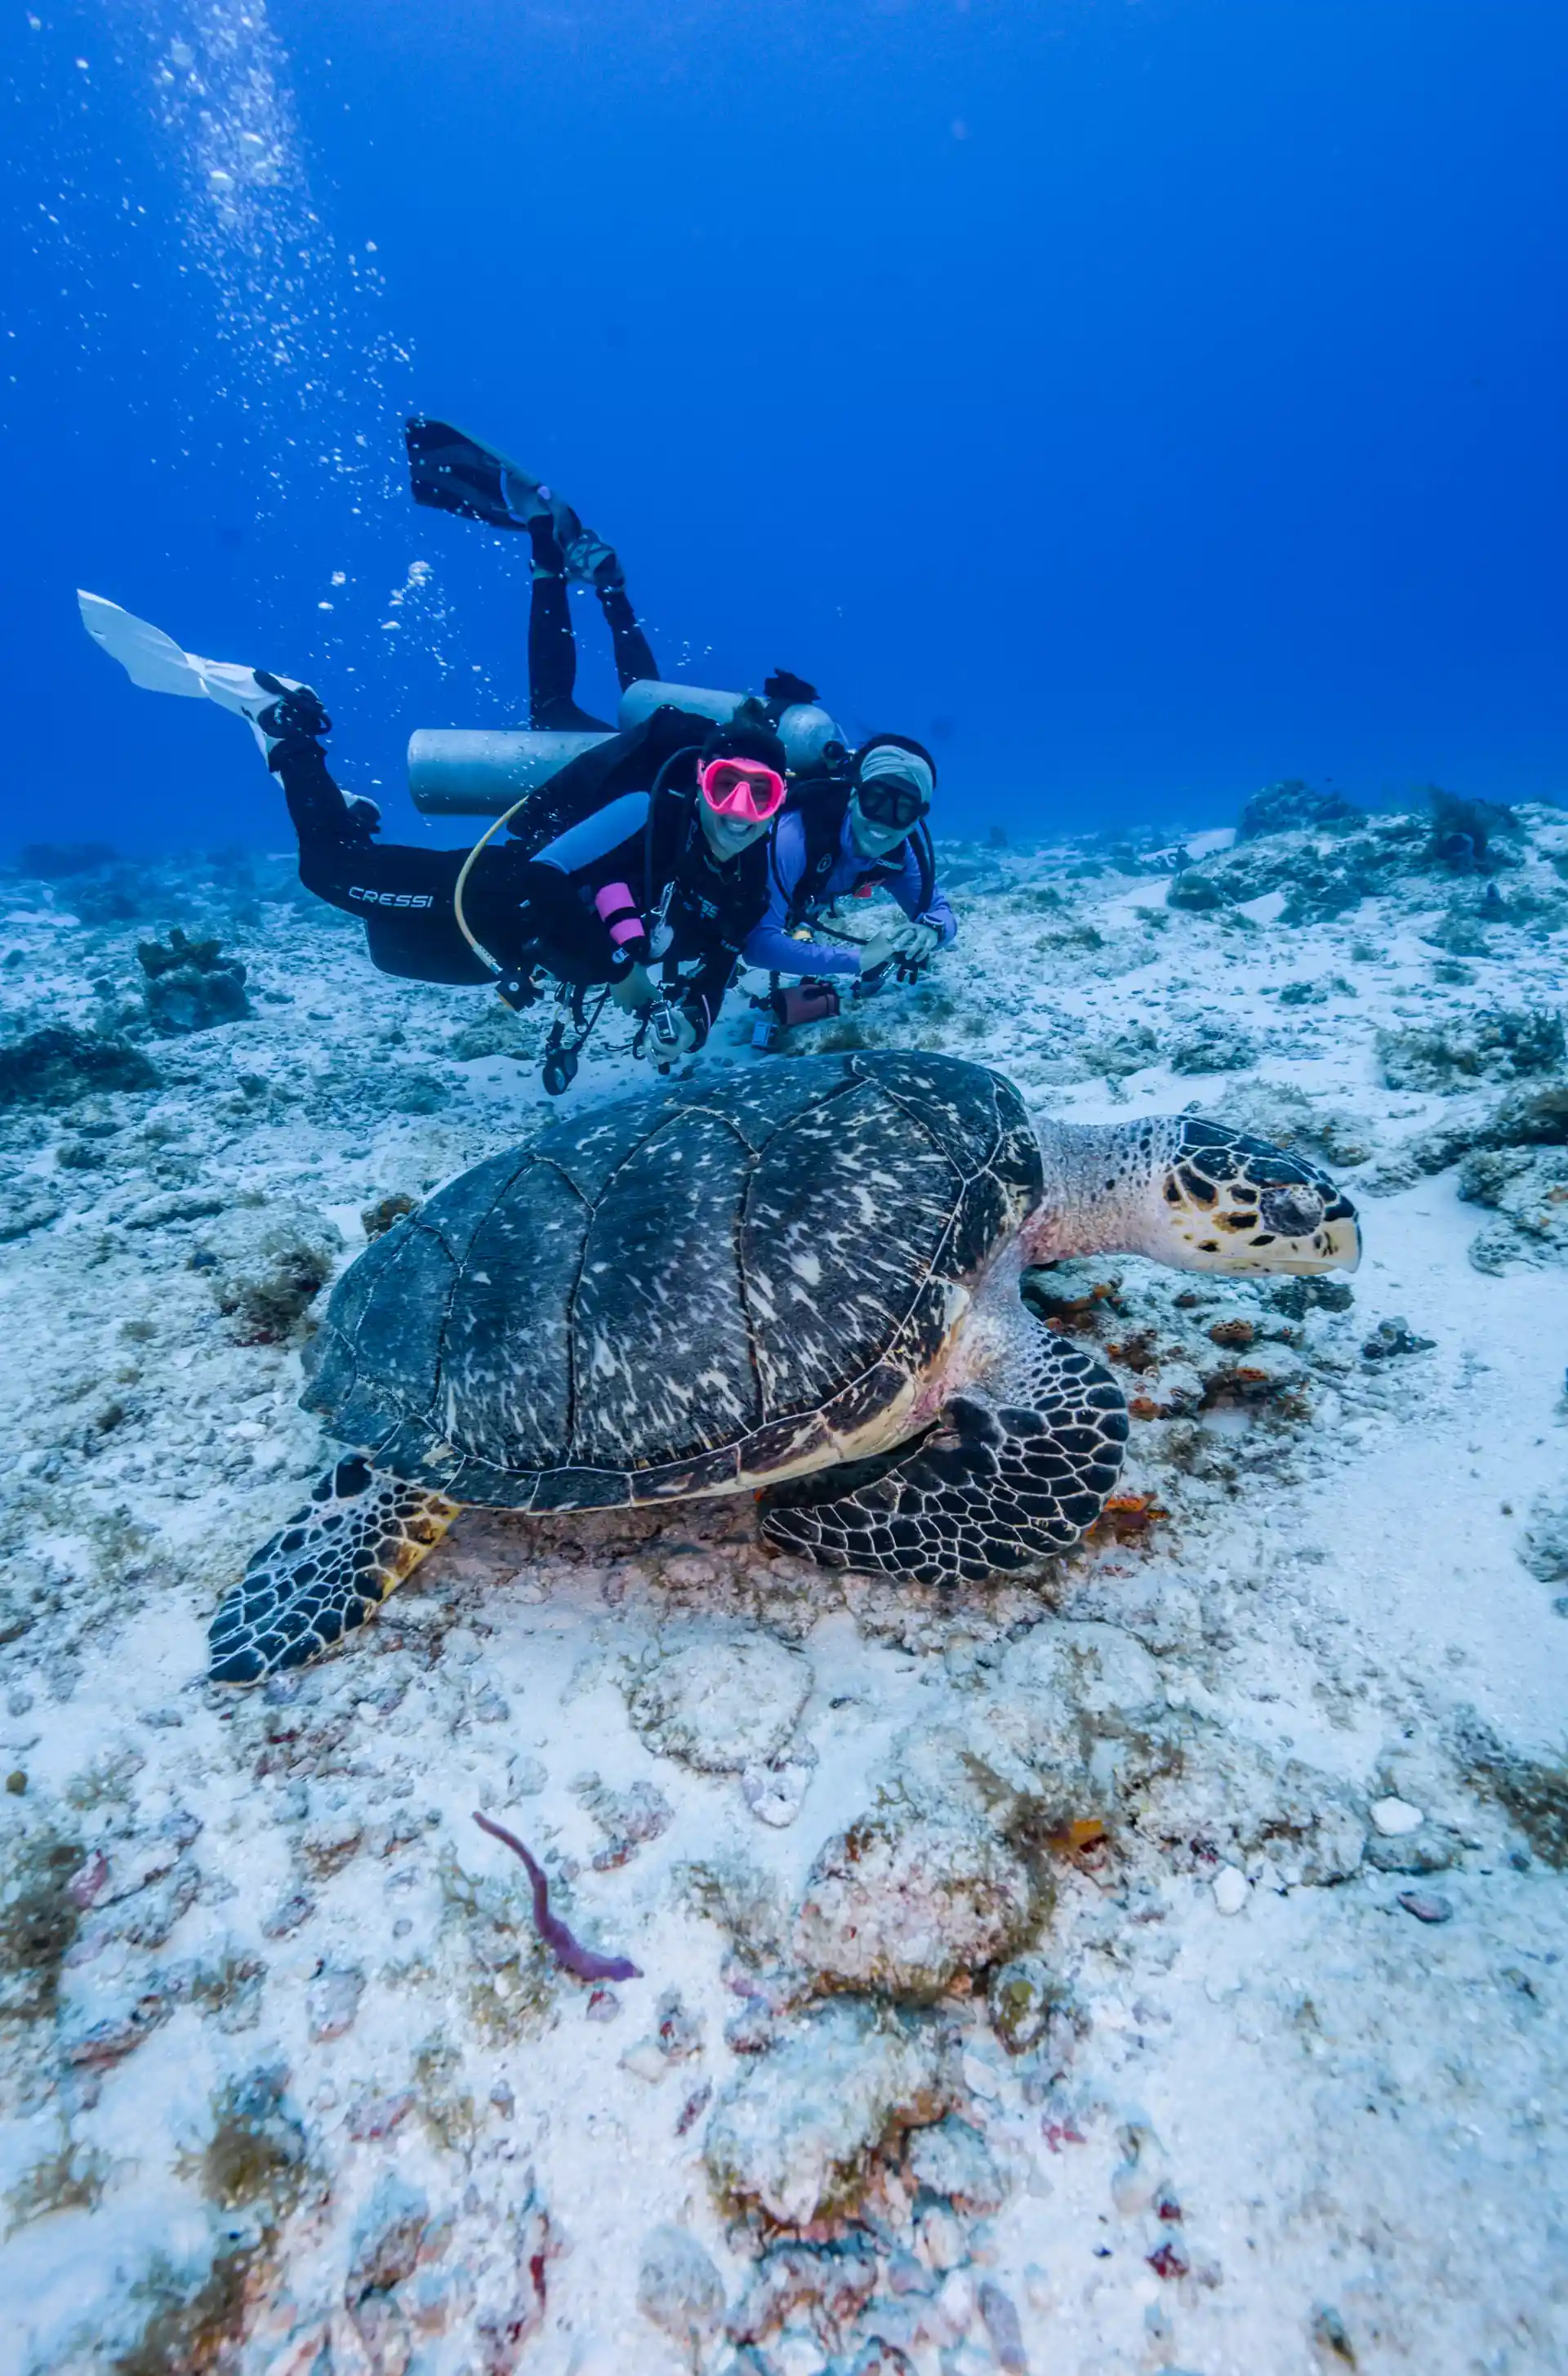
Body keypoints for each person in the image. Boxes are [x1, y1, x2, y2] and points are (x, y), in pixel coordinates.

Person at [77, 593, 786, 1084]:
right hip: (483, 896)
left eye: (763, 796)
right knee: (327, 873)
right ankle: (283, 722)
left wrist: (691, 1023)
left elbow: (721, 956)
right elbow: (545, 874)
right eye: (727, 786)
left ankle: (346, 809)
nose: (739, 812)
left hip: (510, 952)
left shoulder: (745, 875)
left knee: (391, 951)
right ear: (701, 783)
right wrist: (618, 969)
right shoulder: (644, 811)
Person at [744, 735, 957, 986]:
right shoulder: (796, 836)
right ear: (854, 797)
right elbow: (757, 945)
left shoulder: (898, 854)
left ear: (914, 822)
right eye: (876, 799)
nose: (883, 821)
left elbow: (939, 910)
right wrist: (858, 959)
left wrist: (933, 929)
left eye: (904, 809)